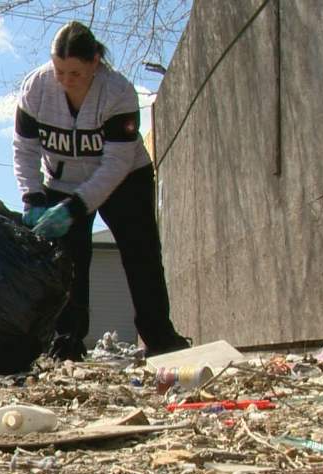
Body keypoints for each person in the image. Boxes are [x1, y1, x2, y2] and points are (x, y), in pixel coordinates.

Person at [12, 20, 191, 362]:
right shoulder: (36, 88)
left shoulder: (118, 93)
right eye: (59, 70)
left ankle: (159, 336)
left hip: (124, 180)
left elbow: (115, 164)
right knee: (69, 262)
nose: (65, 80)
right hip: (62, 181)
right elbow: (24, 149)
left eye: (75, 73)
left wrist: (76, 208)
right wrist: (32, 197)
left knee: (141, 254)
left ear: (95, 62)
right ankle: (67, 340)